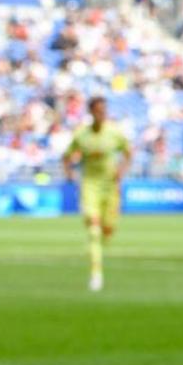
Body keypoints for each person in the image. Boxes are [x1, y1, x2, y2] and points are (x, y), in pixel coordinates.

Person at [62, 96, 131, 292]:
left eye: (105, 110)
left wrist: (121, 171)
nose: (102, 114)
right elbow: (66, 157)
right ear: (91, 112)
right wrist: (70, 174)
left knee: (107, 230)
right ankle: (96, 274)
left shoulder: (114, 133)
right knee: (93, 231)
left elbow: (128, 153)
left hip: (110, 186)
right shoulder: (81, 135)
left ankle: (102, 243)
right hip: (89, 185)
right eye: (99, 111)